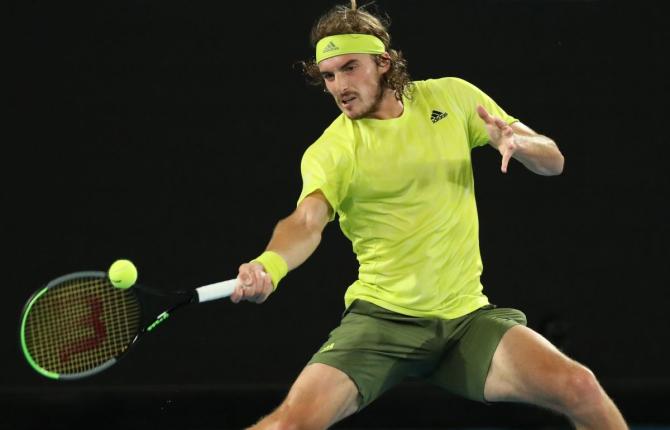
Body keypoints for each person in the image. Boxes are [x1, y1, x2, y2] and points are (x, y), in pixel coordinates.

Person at [230, 2, 628, 429]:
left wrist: (521, 143)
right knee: (291, 423)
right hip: (382, 323)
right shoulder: (333, 150)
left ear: (383, 62)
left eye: (349, 68)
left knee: (580, 386)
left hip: (466, 322)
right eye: (328, 75)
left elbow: (554, 161)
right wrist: (269, 265)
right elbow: (305, 221)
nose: (339, 85)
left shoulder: (452, 98)